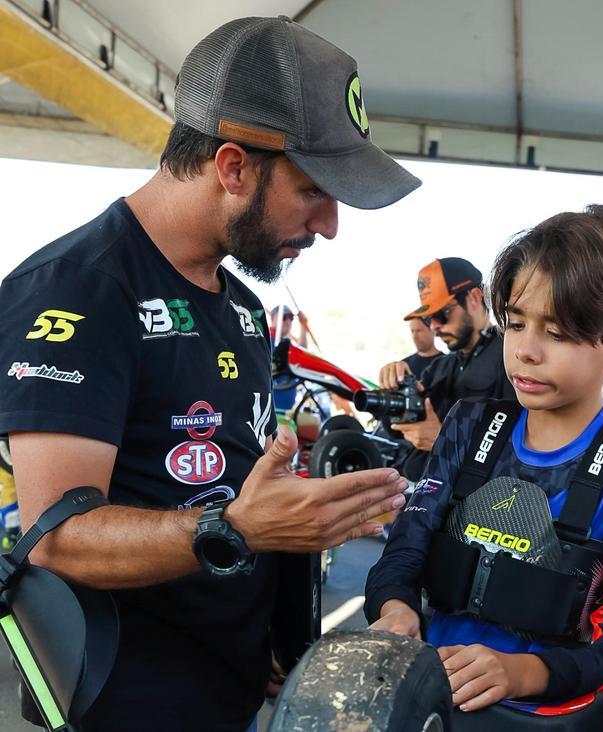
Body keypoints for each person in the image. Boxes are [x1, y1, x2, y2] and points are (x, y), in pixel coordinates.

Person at [0, 16, 417, 731]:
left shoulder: (243, 309)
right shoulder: (78, 290)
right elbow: (55, 538)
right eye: (315, 190)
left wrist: (279, 619)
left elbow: (231, 487)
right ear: (232, 167)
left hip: (232, 695)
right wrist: (237, 528)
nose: (330, 224)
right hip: (118, 708)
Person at [365, 205, 603, 715]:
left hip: (542, 719)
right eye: (515, 322)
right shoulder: (469, 425)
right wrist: (396, 609)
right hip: (431, 702)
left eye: (556, 332)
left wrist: (522, 673)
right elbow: (404, 551)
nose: (526, 350)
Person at [377, 257, 517, 453]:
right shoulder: (439, 367)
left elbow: (520, 448)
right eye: (428, 319)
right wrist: (396, 390)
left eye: (441, 314)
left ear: (475, 298)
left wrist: (445, 442)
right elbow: (397, 430)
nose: (434, 326)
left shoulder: (512, 356)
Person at [269, 304, 309, 411]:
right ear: (272, 319)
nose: (288, 321)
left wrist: (303, 326)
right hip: (271, 406)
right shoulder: (264, 339)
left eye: (291, 317)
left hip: (287, 407)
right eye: (283, 317)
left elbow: (302, 355)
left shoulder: (287, 343)